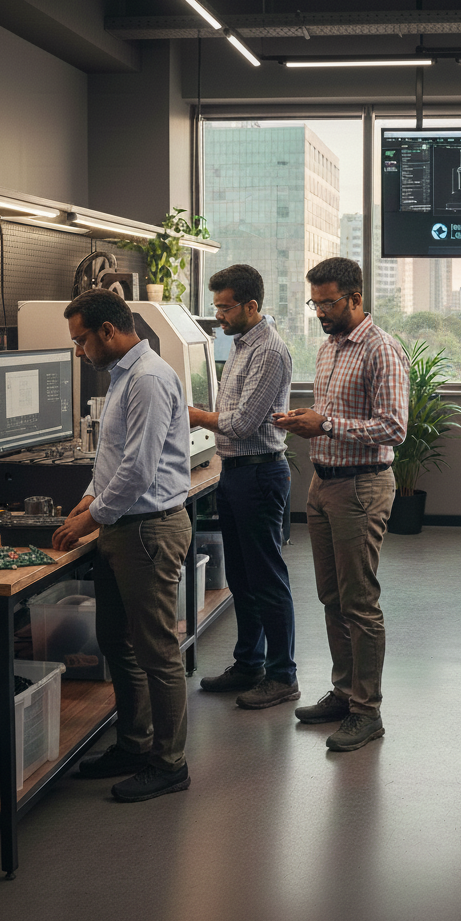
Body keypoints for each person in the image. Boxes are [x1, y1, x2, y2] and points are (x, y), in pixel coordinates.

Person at [52, 288, 193, 802]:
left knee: (157, 650)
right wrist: (88, 498)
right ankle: (134, 745)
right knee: (117, 641)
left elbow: (140, 468)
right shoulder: (121, 376)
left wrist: (93, 517)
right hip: (121, 526)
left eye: (81, 339)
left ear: (108, 331)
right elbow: (110, 457)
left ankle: (169, 762)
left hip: (147, 530)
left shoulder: (150, 379)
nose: (78, 350)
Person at [272, 257, 408, 752]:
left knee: (359, 602)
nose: (320, 312)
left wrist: (325, 425)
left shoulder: (381, 349)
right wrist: (304, 419)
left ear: (355, 298)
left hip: (361, 487)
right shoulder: (329, 349)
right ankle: (345, 692)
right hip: (323, 485)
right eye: (315, 302)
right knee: (331, 598)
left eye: (328, 302)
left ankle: (367, 712)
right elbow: (334, 413)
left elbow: (394, 428)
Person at [187, 264, 299, 709]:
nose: (219, 316)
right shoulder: (238, 345)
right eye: (216, 307)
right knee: (241, 577)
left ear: (252, 306)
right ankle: (249, 664)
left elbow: (242, 422)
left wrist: (196, 417)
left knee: (267, 578)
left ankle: (282, 674)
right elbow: (230, 416)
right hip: (235, 470)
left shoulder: (268, 351)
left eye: (225, 307)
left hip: (259, 473)